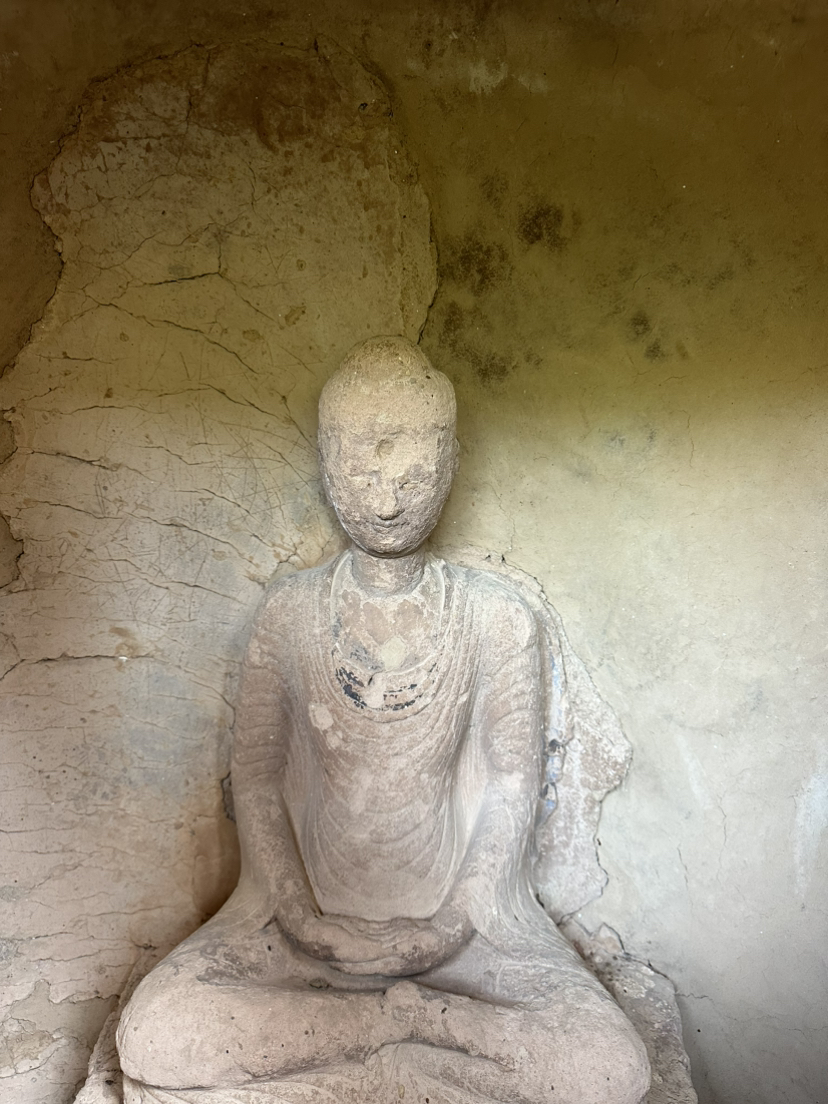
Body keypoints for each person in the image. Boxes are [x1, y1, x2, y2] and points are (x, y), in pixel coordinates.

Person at [117, 336, 650, 1104]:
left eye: (413, 476)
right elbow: (259, 781)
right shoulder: (291, 614)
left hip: (463, 936)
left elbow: (510, 785)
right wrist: (299, 916)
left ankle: (393, 1035)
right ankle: (398, 1035)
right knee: (157, 1030)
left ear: (451, 463)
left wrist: (449, 926)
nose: (388, 501)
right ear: (327, 465)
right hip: (302, 932)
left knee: (609, 1065)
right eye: (363, 475)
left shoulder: (497, 620)